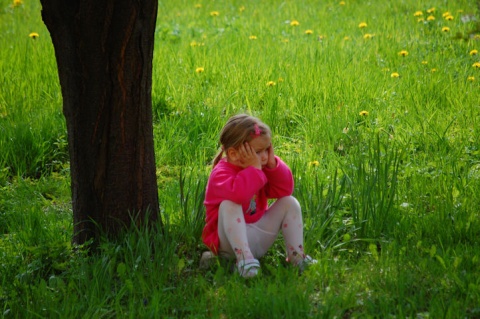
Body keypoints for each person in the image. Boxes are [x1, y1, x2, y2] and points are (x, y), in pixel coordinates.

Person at [201, 114, 316, 278]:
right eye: (258, 151)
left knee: (290, 202)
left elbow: (284, 190)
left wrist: (273, 165)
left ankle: (297, 257)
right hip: (228, 245)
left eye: (267, 149)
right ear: (233, 154)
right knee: (229, 204)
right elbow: (239, 196)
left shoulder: (260, 166)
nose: (263, 157)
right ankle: (244, 262)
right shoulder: (221, 174)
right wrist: (254, 170)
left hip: (258, 236)